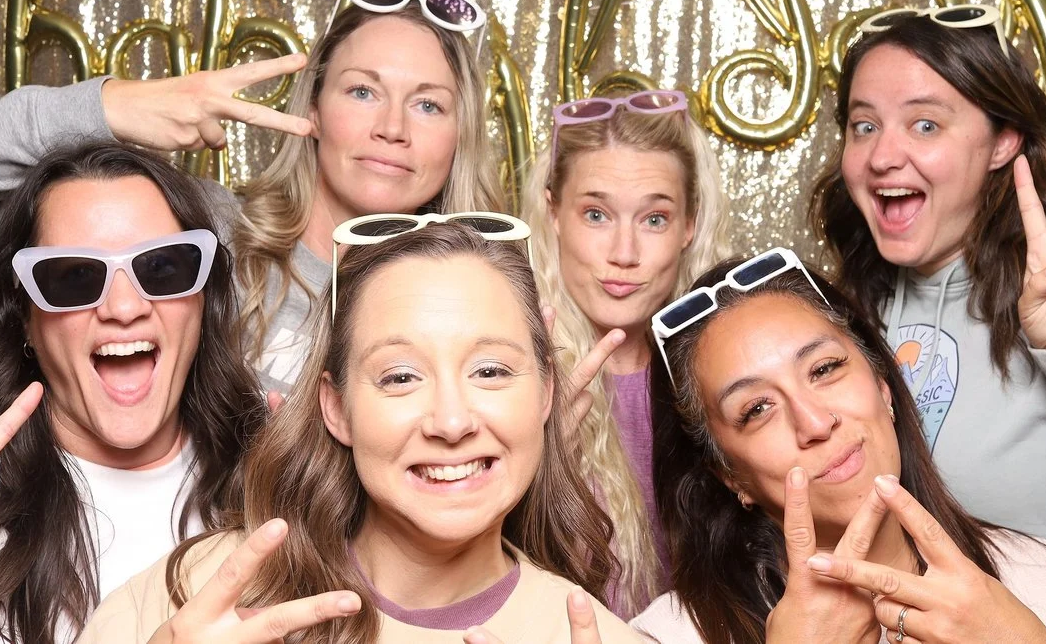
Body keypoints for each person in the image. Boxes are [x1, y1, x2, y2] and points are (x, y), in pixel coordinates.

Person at [0, 0, 505, 395]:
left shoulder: (485, 295)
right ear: (315, 106)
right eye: (362, 91)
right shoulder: (198, 234)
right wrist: (109, 106)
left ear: (461, 134)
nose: (392, 128)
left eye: (428, 104)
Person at [79, 216, 639, 644]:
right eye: (400, 376)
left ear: (546, 393)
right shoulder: (198, 597)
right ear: (336, 408)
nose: (450, 422)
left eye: (490, 371)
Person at [810, 9, 1046, 642]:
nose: (882, 156)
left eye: (925, 124)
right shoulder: (846, 314)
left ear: (1004, 141)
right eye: (863, 126)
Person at [635, 250, 1046, 644]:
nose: (815, 422)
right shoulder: (665, 636)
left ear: (884, 386)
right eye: (756, 409)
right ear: (729, 475)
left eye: (825, 369)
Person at [0, 144, 263, 644]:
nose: (124, 307)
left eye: (162, 268)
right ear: (25, 316)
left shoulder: (275, 487)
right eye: (74, 276)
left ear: (203, 301)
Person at [524, 88, 727, 616]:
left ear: (688, 226)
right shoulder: (503, 375)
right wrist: (534, 468)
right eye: (596, 215)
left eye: (654, 219)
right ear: (554, 214)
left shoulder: (728, 375)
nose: (624, 254)